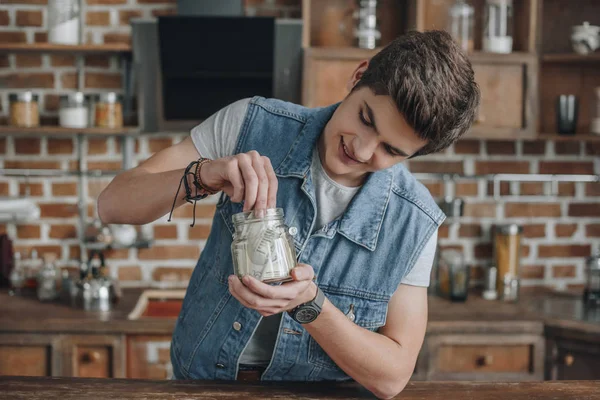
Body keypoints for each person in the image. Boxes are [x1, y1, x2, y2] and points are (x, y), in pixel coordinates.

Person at [98, 30, 480, 399]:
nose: (363, 151)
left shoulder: (413, 221)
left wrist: (310, 304)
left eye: (391, 151)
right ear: (358, 76)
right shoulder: (250, 123)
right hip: (200, 388)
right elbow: (113, 204)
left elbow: (392, 377)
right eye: (366, 119)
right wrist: (206, 173)